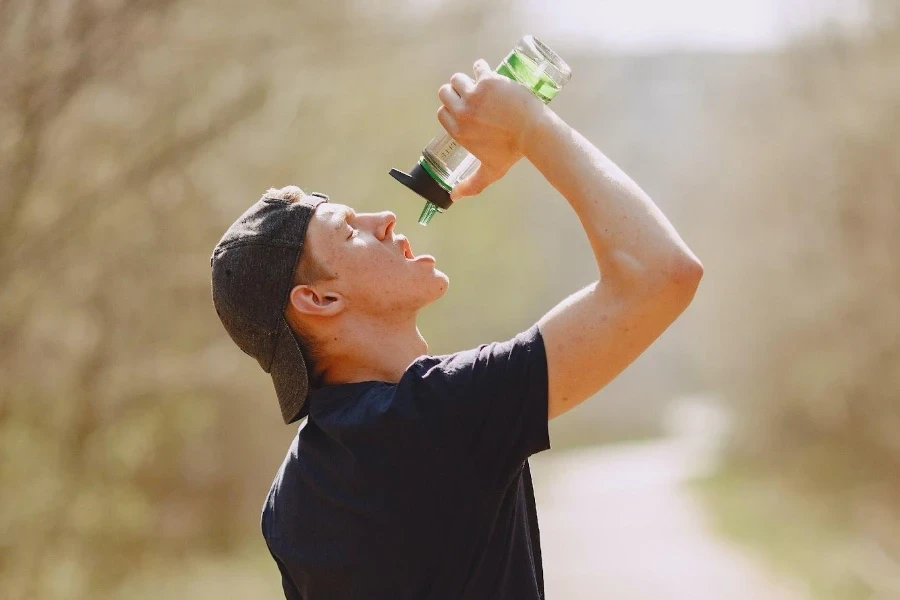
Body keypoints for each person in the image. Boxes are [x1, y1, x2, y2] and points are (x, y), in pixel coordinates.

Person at [210, 58, 702, 600]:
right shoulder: (438, 416)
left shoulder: (289, 501)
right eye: (349, 232)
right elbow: (660, 274)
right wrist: (532, 128)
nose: (384, 220)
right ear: (319, 299)